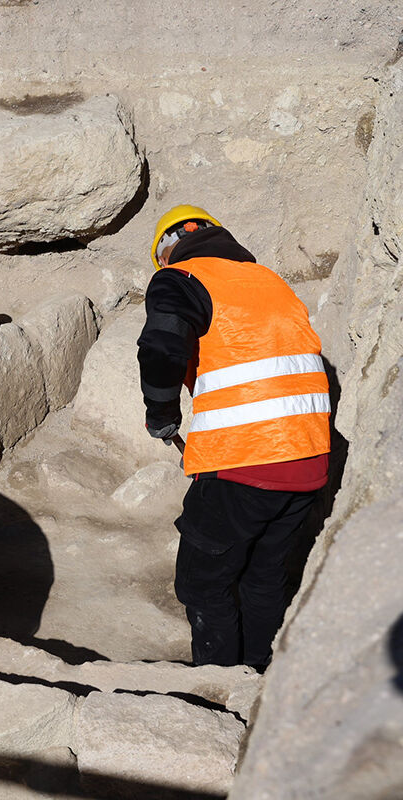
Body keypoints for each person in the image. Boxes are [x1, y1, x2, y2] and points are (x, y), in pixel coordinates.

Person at [138, 204, 331, 669]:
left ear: (169, 248)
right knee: (263, 578)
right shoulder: (270, 281)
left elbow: (162, 345)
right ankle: (261, 678)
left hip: (244, 459)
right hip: (310, 460)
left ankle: (219, 687)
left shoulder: (181, 277)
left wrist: (161, 411)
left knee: (203, 583)